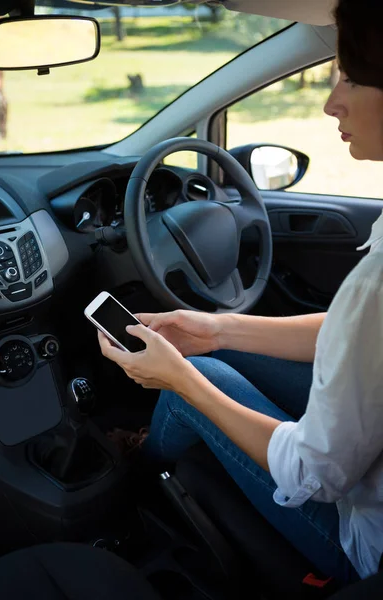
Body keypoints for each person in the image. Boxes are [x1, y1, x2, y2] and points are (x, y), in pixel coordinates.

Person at [98, 0, 383, 586]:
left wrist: (181, 379)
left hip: (365, 543)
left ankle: (125, 487)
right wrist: (218, 328)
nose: (331, 100)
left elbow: (315, 474)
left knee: (194, 385)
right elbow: (358, 334)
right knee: (210, 351)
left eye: (350, 76)